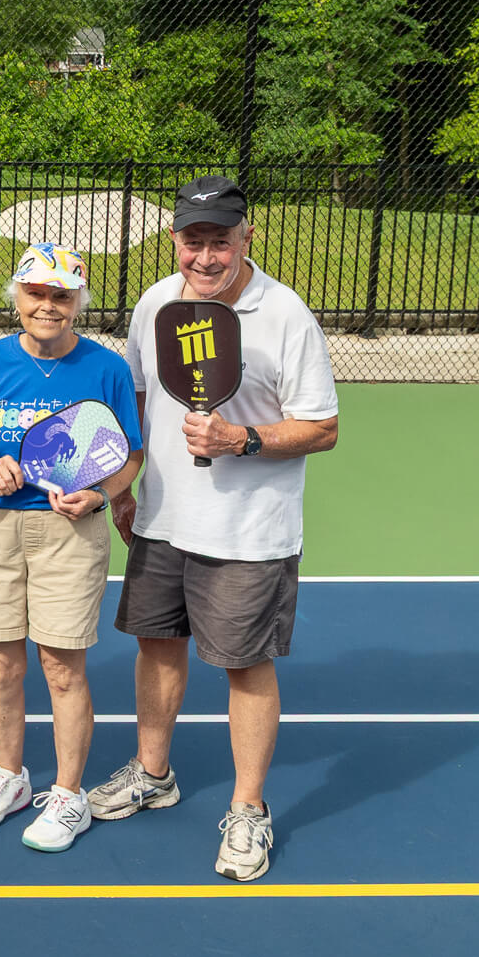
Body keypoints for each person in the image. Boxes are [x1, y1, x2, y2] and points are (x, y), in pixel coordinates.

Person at [98, 176, 339, 882]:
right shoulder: (156, 303)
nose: (205, 256)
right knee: (156, 645)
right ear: (175, 240)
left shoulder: (285, 314)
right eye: (193, 241)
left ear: (246, 238)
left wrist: (243, 438)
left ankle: (248, 808)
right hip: (163, 518)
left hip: (248, 532)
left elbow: (323, 427)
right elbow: (139, 399)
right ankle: (153, 774)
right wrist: (124, 487)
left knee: (244, 663)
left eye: (220, 242)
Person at [0, 244, 144, 853]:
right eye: (36, 293)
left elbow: (129, 455)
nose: (47, 306)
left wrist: (101, 495)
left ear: (77, 303)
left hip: (70, 533)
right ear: (17, 296)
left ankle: (67, 796)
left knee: (62, 669)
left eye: (61, 296)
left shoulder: (106, 368)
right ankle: (10, 778)